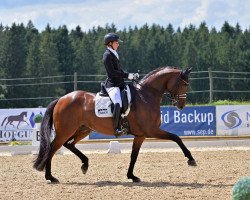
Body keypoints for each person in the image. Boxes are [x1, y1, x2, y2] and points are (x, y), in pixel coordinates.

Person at [103, 33, 139, 136]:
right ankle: (116, 128)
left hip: (120, 84)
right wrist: (127, 75)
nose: (118, 44)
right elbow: (112, 73)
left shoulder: (114, 53)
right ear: (110, 43)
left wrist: (131, 75)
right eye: (116, 42)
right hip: (112, 85)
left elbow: (119, 70)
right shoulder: (107, 55)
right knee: (118, 103)